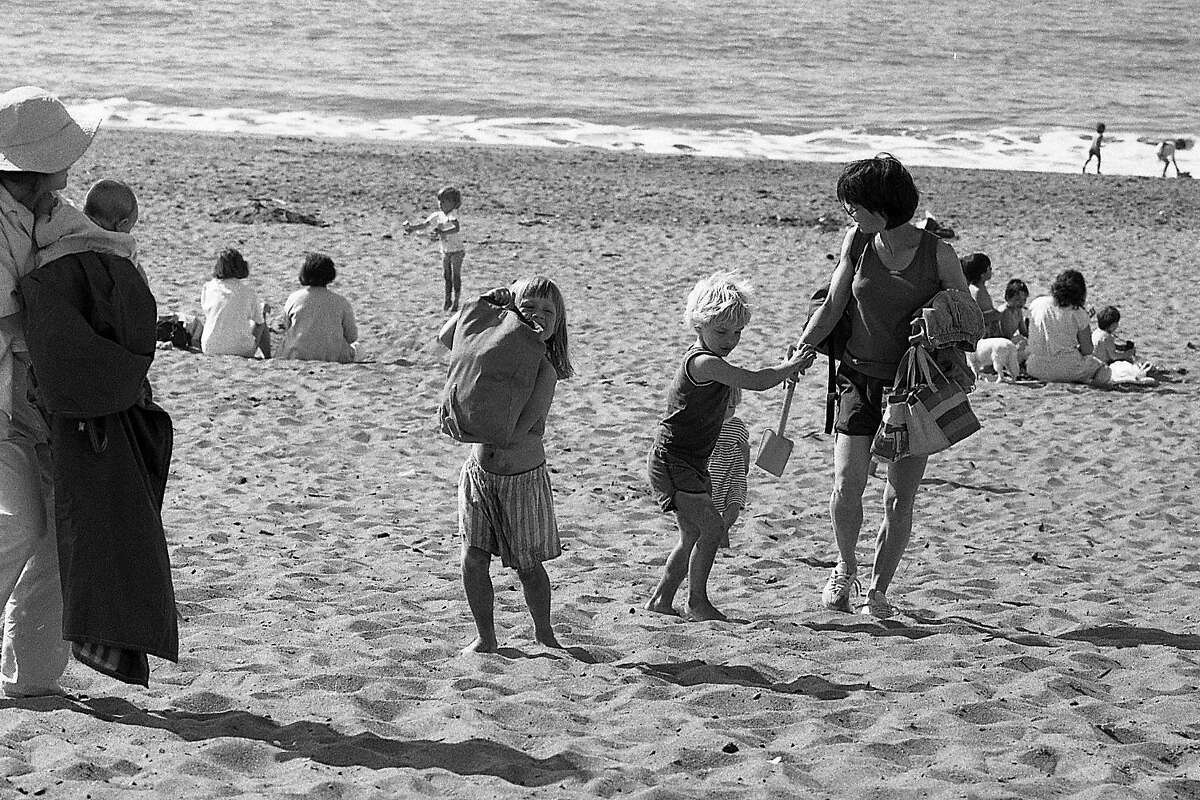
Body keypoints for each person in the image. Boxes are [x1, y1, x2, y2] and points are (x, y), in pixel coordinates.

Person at [794, 153, 971, 618]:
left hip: (913, 390)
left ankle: (878, 590)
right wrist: (802, 349)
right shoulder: (857, 241)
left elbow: (970, 320)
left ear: (883, 205)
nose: (848, 211)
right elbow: (833, 306)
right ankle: (846, 567)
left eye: (855, 203)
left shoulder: (939, 255)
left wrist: (936, 322)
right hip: (856, 378)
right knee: (845, 484)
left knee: (898, 496)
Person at [0, 85, 100, 697]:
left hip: (38, 400)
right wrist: (58, 327)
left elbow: (103, 253)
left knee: (60, 529)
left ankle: (28, 673)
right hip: (9, 402)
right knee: (20, 524)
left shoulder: (42, 211)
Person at [646, 272, 813, 622]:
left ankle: (661, 600)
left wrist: (787, 368)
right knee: (711, 528)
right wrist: (789, 368)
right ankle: (697, 602)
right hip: (673, 459)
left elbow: (754, 380)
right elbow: (753, 380)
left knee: (692, 532)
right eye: (721, 332)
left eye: (736, 333)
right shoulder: (703, 362)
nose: (730, 340)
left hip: (687, 459)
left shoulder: (714, 363)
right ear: (699, 325)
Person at [437, 276, 573, 653]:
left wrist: (473, 416)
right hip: (479, 474)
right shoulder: (490, 350)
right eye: (527, 306)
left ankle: (544, 632)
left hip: (521, 480)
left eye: (548, 311)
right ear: (512, 309)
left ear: (557, 325)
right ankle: (486, 637)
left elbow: (518, 430)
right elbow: (449, 337)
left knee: (528, 567)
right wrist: (482, 305)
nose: (537, 315)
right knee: (473, 559)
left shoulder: (544, 371)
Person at [1024, 269, 1111, 386]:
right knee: (1105, 370)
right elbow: (1088, 350)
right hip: (1068, 368)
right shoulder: (1078, 313)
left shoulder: (1037, 303)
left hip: (1036, 367)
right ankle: (1091, 387)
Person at [278, 252, 361, 363]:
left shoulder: (294, 298)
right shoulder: (341, 302)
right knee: (359, 348)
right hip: (333, 356)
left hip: (298, 354)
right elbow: (352, 337)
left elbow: (287, 326)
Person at [199, 247, 271, 358]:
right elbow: (259, 322)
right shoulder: (248, 291)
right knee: (261, 319)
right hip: (241, 350)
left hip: (209, 347)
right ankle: (268, 356)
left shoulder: (208, 287)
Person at [405, 185, 465, 312]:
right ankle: (447, 298)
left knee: (455, 276)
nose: (441, 204)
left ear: (453, 203)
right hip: (446, 250)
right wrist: (412, 228)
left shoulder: (453, 215)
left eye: (444, 201)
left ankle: (456, 301)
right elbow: (425, 225)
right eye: (440, 201)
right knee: (446, 275)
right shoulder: (437, 215)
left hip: (457, 251)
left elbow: (456, 227)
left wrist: (442, 232)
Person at [708, 387, 749, 549]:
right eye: (724, 407)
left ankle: (724, 527)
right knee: (711, 505)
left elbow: (744, 446)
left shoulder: (737, 425)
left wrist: (745, 465)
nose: (728, 412)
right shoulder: (708, 423)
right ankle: (718, 532)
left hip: (734, 470)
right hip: (713, 471)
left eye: (732, 407)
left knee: (735, 501)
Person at [961, 252, 1001, 337]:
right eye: (989, 268)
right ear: (982, 274)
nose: (991, 269)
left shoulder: (972, 288)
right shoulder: (979, 292)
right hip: (985, 334)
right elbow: (979, 317)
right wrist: (997, 315)